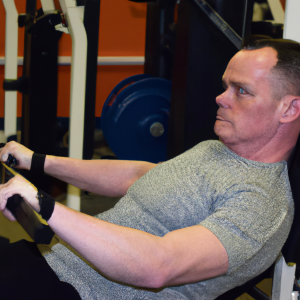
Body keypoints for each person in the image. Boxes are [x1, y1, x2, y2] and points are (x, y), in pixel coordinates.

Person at [0, 38, 299, 299]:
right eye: (225, 87)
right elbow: (140, 177)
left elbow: (159, 265)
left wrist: (45, 205)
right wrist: (36, 160)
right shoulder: (216, 150)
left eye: (242, 90)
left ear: (289, 109)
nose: (220, 98)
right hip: (57, 264)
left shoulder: (262, 204)